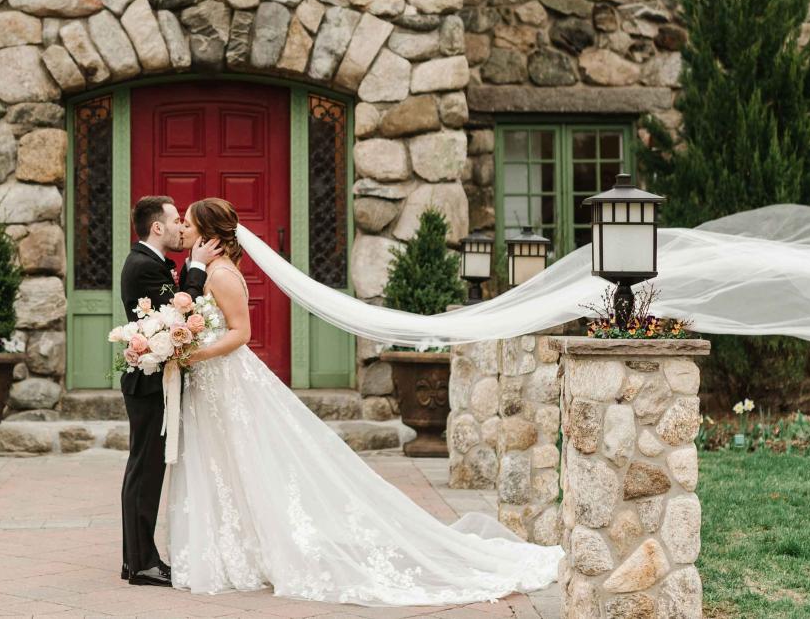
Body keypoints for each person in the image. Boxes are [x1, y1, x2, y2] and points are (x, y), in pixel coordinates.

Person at [166, 196, 562, 606]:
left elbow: (240, 334)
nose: (183, 228)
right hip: (212, 385)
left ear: (209, 234)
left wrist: (191, 354)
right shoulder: (206, 271)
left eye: (189, 224)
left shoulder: (224, 276)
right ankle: (236, 548)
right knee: (225, 462)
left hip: (226, 381)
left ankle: (250, 549)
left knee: (244, 460)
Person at [118, 195, 220, 587]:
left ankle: (135, 559)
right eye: (176, 220)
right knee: (145, 472)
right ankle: (142, 562)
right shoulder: (143, 266)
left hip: (153, 380)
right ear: (157, 227)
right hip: (148, 384)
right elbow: (179, 316)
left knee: (143, 470)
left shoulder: (150, 262)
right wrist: (195, 268)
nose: (182, 227)